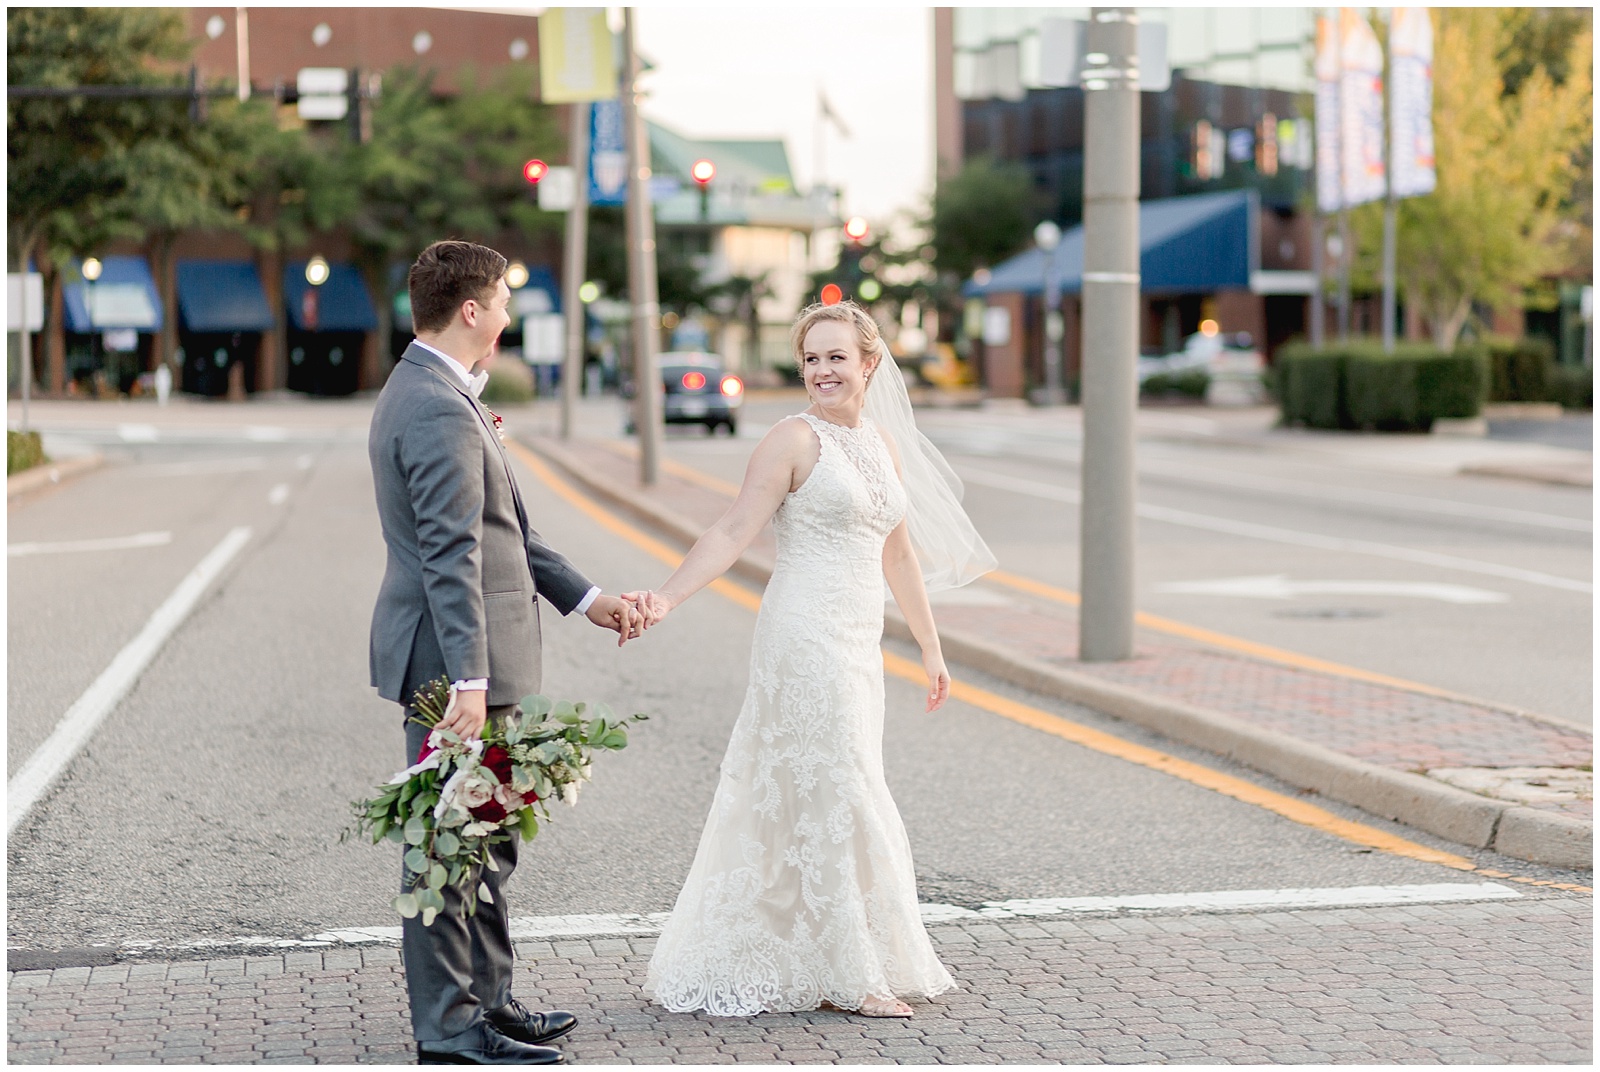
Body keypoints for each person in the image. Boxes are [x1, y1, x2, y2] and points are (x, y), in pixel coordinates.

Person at [628, 300, 996, 1018]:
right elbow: (734, 528)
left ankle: (829, 951)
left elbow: (899, 551)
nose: (822, 371)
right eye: (810, 359)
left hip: (859, 638)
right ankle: (851, 971)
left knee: (835, 781)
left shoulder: (883, 446)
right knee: (839, 785)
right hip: (803, 634)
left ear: (870, 363)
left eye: (835, 357)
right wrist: (669, 598)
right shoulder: (790, 441)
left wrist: (930, 646)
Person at [368, 240, 645, 1065]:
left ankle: (488, 1003)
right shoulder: (433, 406)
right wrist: (470, 680)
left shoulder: (437, 392)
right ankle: (449, 1031)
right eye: (504, 302)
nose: (511, 317)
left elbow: (508, 537)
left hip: (474, 656)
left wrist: (589, 600)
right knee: (446, 848)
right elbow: (451, 551)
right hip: (453, 664)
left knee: (487, 839)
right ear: (472, 312)